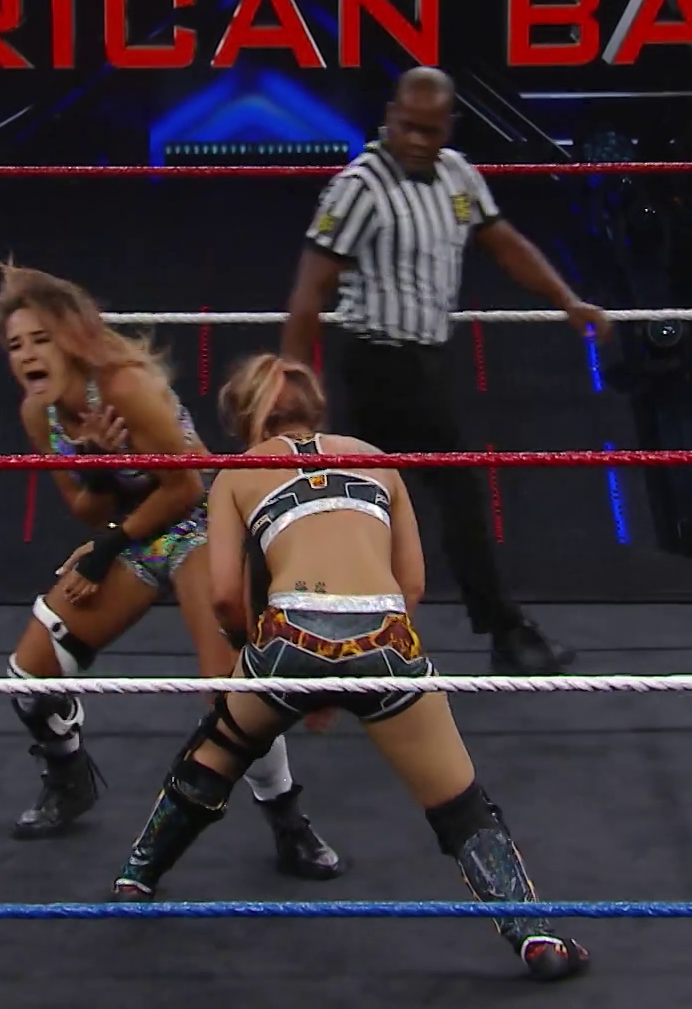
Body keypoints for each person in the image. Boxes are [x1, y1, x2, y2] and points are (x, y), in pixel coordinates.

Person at [105, 353, 590, 983]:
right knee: (460, 804)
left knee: (219, 748)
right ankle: (536, 938)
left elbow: (224, 595)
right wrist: (359, 657)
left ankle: (137, 875)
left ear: (243, 420)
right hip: (384, 636)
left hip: (288, 634)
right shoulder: (375, 459)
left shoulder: (239, 471)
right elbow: (411, 584)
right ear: (315, 405)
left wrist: (256, 659)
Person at [0, 262, 345, 881]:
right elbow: (85, 508)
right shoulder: (37, 415)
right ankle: (69, 778)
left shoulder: (123, 386)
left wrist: (106, 546)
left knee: (231, 689)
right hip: (134, 530)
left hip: (200, 523)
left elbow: (186, 487)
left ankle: (289, 820)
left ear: (71, 338)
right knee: (31, 670)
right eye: (16, 344)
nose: (27, 356)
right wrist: (100, 470)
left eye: (40, 339)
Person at [279, 66, 614, 677]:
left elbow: (505, 243)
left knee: (366, 503)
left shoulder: (460, 176)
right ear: (389, 115)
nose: (415, 140)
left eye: (429, 130)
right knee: (438, 497)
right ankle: (500, 630)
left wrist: (568, 300)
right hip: (378, 362)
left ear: (448, 127)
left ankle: (320, 634)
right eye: (406, 125)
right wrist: (293, 381)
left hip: (428, 363)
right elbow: (311, 286)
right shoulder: (359, 187)